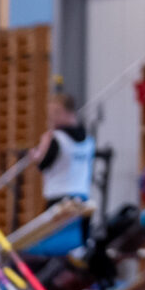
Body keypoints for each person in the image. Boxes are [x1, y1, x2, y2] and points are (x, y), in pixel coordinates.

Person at [32, 92, 97, 244]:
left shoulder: (56, 139)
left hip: (59, 200)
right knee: (79, 246)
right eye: (50, 113)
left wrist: (40, 152)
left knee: (55, 245)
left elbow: (43, 165)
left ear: (69, 112)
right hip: (82, 198)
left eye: (56, 112)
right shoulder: (89, 140)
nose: (51, 118)